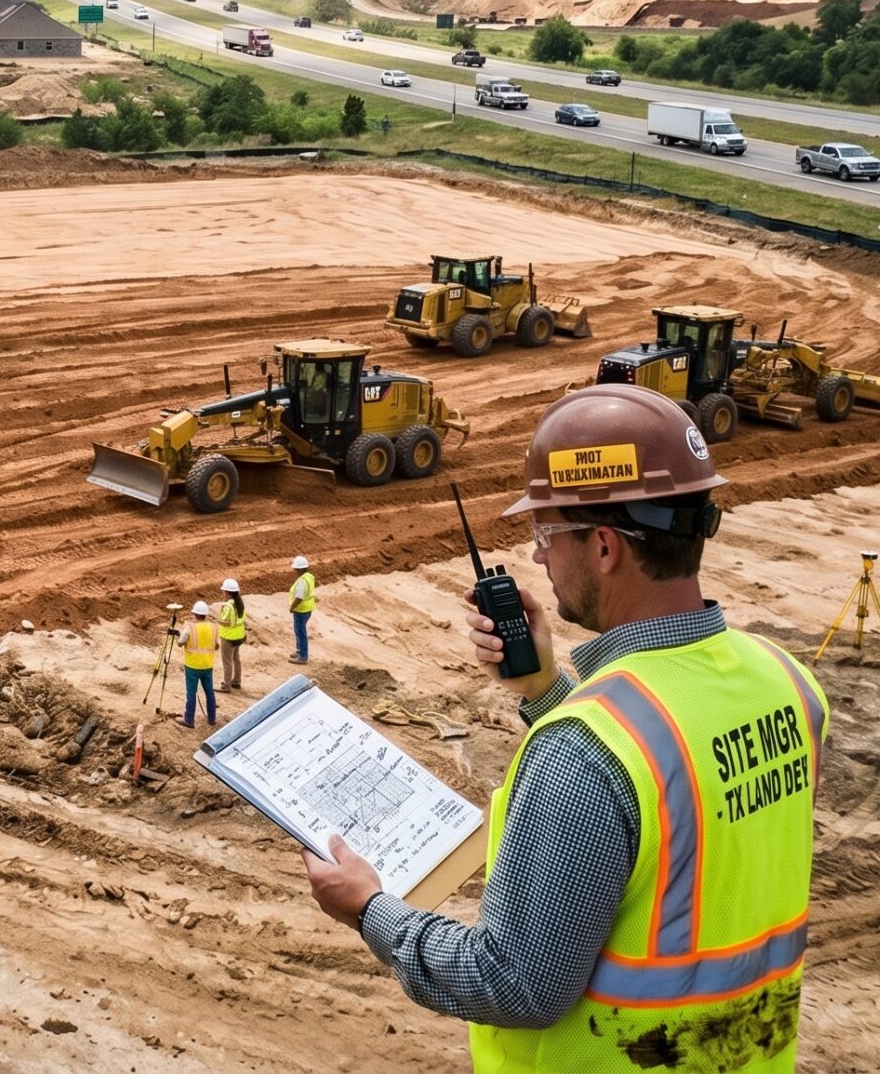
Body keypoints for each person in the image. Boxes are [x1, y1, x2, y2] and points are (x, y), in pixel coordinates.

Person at [301, 384, 827, 1073]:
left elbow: (514, 981)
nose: (541, 558)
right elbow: (669, 821)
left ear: (605, 547)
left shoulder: (583, 753)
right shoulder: (788, 682)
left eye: (546, 534)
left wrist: (371, 908)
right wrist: (546, 687)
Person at [178, 602, 221, 728]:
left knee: (191, 692)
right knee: (209, 692)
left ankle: (189, 720)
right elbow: (216, 646)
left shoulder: (190, 628)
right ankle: (212, 719)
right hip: (207, 665)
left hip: (192, 666)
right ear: (205, 615)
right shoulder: (214, 627)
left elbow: (180, 642)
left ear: (195, 614)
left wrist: (178, 636)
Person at [215, 578, 247, 692]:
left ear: (227, 593)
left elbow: (226, 622)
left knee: (227, 662)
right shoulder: (240, 604)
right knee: (236, 659)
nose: (223, 593)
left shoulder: (228, 606)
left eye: (224, 591)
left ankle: (227, 685)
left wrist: (217, 618)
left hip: (228, 637)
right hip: (239, 636)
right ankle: (236, 682)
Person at [288, 556, 317, 663]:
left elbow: (299, 597)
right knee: (299, 631)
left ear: (300, 569)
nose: (295, 571)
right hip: (307, 609)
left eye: (296, 569)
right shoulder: (309, 576)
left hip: (301, 610)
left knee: (300, 632)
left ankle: (303, 657)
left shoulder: (302, 581)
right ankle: (300, 651)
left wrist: (292, 607)